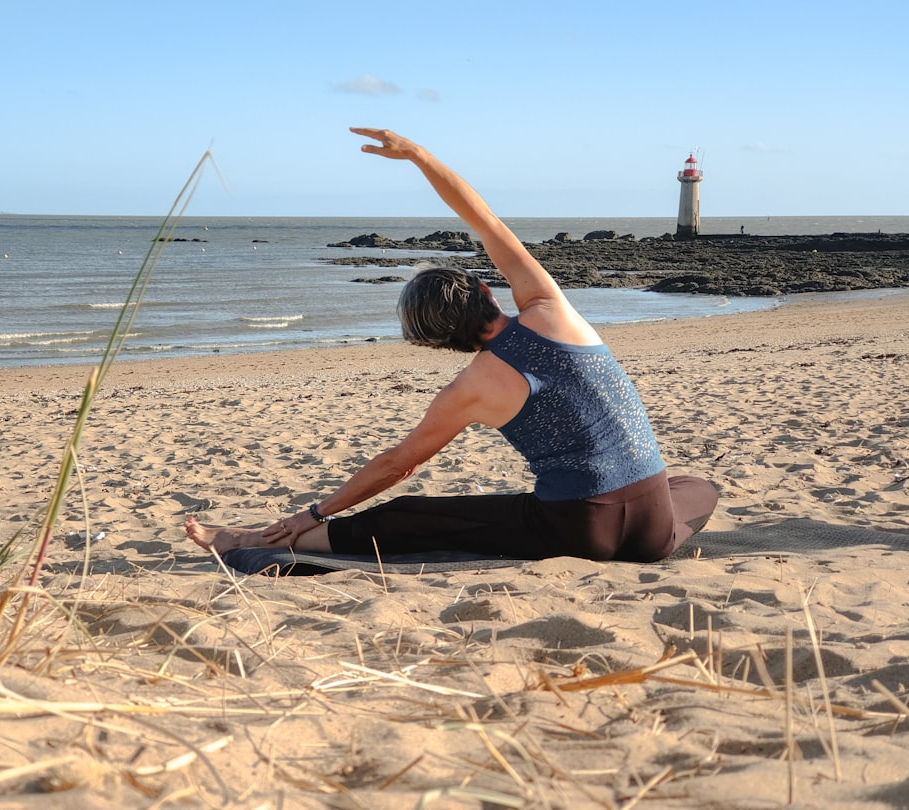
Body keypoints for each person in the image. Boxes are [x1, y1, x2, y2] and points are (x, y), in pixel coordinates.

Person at [185, 127, 718, 563]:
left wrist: (315, 513)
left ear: (437, 342)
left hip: (579, 531)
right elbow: (481, 219)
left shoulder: (472, 387)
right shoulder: (553, 312)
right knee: (696, 487)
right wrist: (417, 154)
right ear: (486, 290)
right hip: (652, 527)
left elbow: (396, 466)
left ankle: (263, 541)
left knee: (407, 516)